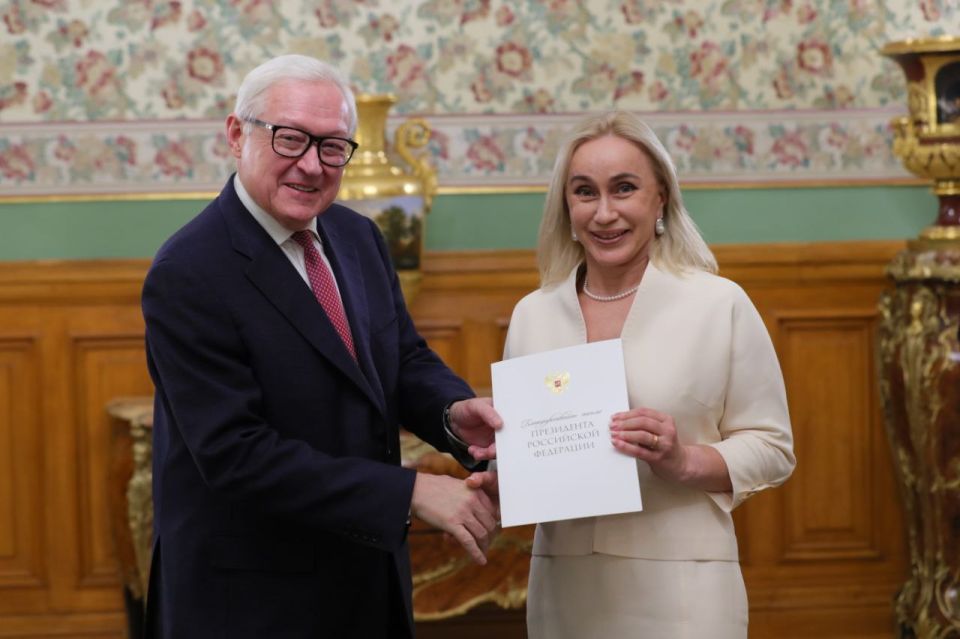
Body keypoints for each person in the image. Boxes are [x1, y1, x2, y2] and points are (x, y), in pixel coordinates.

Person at [141, 54, 501, 639]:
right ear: (236, 135)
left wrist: (452, 414)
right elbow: (236, 454)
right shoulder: (188, 271)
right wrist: (410, 491)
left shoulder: (358, 236)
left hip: (365, 579)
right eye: (290, 139)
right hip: (251, 599)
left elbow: (400, 357)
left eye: (333, 147)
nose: (311, 165)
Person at [479, 111, 796, 638]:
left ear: (661, 199)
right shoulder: (532, 314)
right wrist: (500, 480)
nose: (604, 213)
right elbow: (528, 456)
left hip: (685, 589)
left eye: (624, 188)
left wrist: (684, 461)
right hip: (564, 587)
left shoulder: (718, 304)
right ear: (566, 205)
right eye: (585, 192)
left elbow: (773, 448)